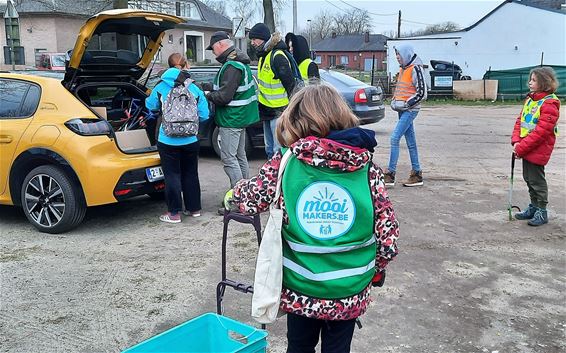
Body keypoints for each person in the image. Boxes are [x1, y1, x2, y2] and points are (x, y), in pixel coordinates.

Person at [228, 84, 399, 353]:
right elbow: (388, 238)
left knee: (299, 346)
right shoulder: (367, 169)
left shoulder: (285, 163)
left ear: (295, 120)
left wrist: (233, 194)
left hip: (301, 286)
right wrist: (376, 267)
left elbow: (252, 198)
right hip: (349, 288)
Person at [145, 54, 210, 223]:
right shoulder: (194, 87)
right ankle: (194, 208)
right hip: (190, 140)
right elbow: (204, 115)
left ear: (169, 65)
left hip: (167, 140)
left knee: (172, 175)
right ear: (184, 65)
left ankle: (174, 214)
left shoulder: (161, 86)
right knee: (191, 173)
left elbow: (150, 106)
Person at [203, 31, 259, 190]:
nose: (213, 52)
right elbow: (230, 90)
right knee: (240, 157)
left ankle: (238, 197)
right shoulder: (240, 62)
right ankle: (246, 194)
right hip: (240, 118)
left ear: (220, 44)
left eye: (212, 48)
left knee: (228, 158)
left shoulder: (231, 65)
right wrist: (211, 88)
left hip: (231, 119)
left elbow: (224, 97)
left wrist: (208, 94)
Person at [511, 67, 560, 226]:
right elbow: (520, 121)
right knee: (529, 179)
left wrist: (521, 147)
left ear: (544, 83)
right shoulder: (531, 100)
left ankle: (542, 211)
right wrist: (516, 141)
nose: (529, 83)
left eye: (533, 80)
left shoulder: (550, 103)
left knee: (537, 181)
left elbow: (542, 132)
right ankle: (533, 206)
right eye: (530, 79)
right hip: (526, 147)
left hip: (537, 149)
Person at [249, 23, 297, 159]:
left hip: (279, 111)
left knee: (277, 150)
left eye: (254, 39)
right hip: (267, 110)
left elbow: (290, 84)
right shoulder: (264, 56)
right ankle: (272, 177)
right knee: (270, 149)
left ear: (263, 39)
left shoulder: (277, 56)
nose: (252, 43)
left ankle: (278, 178)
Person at [383, 44, 427, 187]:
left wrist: (407, 104)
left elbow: (422, 93)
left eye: (399, 55)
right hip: (402, 110)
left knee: (394, 138)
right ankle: (416, 173)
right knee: (411, 142)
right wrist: (396, 102)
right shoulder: (403, 69)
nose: (397, 57)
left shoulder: (415, 69)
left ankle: (390, 174)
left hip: (409, 110)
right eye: (396, 55)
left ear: (406, 54)